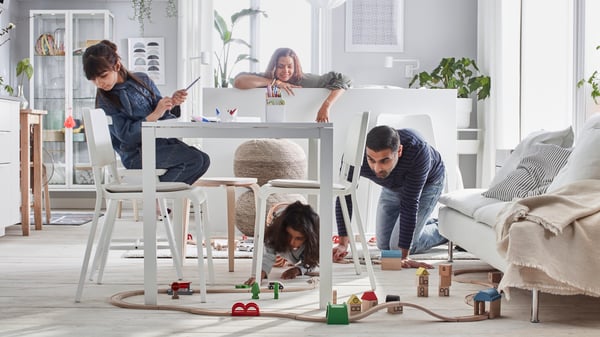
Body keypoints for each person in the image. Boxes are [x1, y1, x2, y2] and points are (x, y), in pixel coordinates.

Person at [82, 40, 210, 185]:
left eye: (103, 76)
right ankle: (154, 198)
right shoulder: (105, 100)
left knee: (204, 160)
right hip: (136, 155)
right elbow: (126, 136)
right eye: (93, 80)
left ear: (117, 65)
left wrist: (172, 103)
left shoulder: (142, 80)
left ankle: (154, 196)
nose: (99, 83)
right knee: (195, 159)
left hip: (158, 145)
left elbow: (161, 113)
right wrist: (155, 114)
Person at [332, 125, 448, 269]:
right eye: (371, 160)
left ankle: (447, 230)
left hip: (427, 185)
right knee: (384, 245)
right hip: (392, 186)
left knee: (395, 249)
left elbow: (410, 204)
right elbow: (345, 195)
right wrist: (343, 243)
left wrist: (403, 256)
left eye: (384, 161)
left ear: (399, 151)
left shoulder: (418, 151)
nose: (377, 168)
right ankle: (421, 224)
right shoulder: (354, 154)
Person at [233, 47, 351, 123]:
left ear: (295, 67)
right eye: (280, 66)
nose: (285, 71)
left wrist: (326, 106)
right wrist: (275, 83)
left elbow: (345, 79)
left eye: (289, 66)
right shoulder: (265, 78)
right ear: (274, 66)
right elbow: (239, 81)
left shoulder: (304, 80)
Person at [244, 201, 320, 285]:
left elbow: (310, 263)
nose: (292, 242)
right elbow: (267, 256)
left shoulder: (314, 240)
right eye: (289, 235)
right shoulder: (276, 232)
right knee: (277, 262)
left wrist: (297, 270)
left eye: (299, 238)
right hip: (277, 212)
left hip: (301, 215)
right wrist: (259, 275)